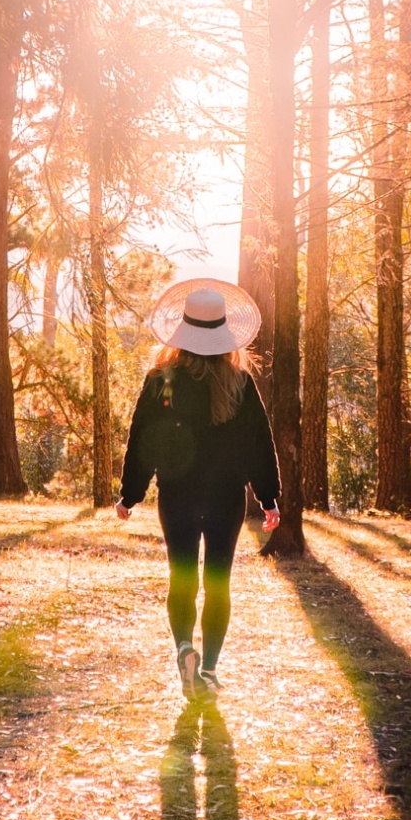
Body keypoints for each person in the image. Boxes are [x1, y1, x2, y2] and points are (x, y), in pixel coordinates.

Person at [115, 278, 281, 697]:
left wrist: (130, 494)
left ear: (182, 331)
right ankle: (207, 670)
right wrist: (268, 498)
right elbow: (260, 442)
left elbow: (141, 439)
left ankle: (184, 647)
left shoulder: (161, 379)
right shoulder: (240, 383)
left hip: (178, 494)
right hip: (226, 496)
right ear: (224, 334)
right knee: (218, 582)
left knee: (182, 578)